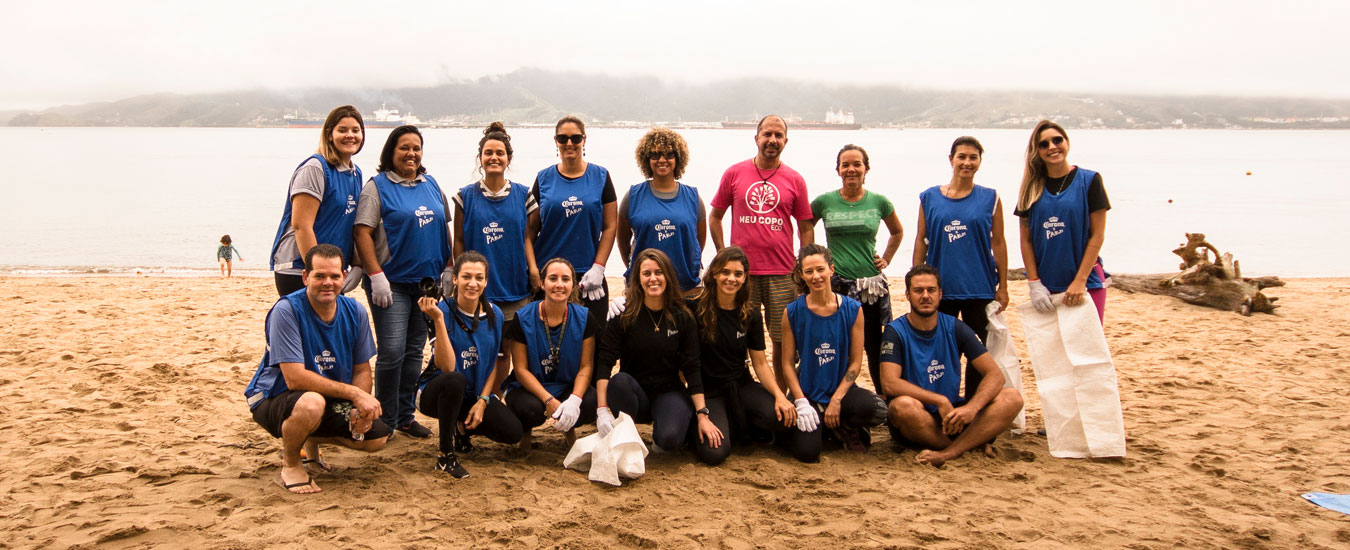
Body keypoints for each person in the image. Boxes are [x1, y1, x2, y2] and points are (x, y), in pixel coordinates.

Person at [244, 244, 389, 495]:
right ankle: (291, 463)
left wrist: (359, 408)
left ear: (344, 277)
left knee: (377, 437)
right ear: (305, 277)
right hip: (272, 397)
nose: (328, 283)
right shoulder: (286, 310)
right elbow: (294, 378)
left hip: (323, 398)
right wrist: (354, 395)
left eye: (334, 276)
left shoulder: (355, 311)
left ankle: (310, 440)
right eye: (319, 275)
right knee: (311, 403)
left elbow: (362, 370)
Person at [353, 125, 453, 439]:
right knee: (392, 351)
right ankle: (384, 418)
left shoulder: (432, 183)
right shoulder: (376, 187)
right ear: (391, 152)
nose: (411, 154)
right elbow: (362, 232)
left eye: (416, 148)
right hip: (391, 283)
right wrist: (375, 274)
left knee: (414, 352)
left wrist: (449, 266)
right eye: (404, 148)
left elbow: (442, 227)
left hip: (425, 284)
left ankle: (405, 417)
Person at [879, 264, 1023, 467]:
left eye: (931, 290)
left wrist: (972, 408)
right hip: (920, 417)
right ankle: (966, 446)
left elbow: (995, 375)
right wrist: (939, 401)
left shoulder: (955, 327)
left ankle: (949, 452)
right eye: (918, 291)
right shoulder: (895, 331)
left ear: (940, 294)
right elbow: (890, 384)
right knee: (901, 406)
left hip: (953, 416)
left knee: (1012, 397)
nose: (925, 296)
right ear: (907, 295)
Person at [710, 115, 814, 386]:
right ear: (756, 138)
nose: (772, 140)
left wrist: (803, 268)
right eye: (767, 134)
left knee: (781, 339)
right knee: (739, 332)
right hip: (742, 275)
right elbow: (715, 217)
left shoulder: (795, 179)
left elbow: (805, 228)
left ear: (786, 141)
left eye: (778, 136)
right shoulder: (734, 173)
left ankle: (781, 392)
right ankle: (741, 386)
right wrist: (723, 256)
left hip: (782, 272)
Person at [595, 249, 717, 453]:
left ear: (668, 276)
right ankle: (627, 434)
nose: (653, 279)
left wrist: (702, 414)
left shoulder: (682, 316)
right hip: (633, 395)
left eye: (659, 272)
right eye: (646, 273)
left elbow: (692, 368)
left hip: (668, 392)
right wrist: (601, 410)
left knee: (669, 440)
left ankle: (665, 427)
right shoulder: (624, 314)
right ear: (638, 278)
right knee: (620, 381)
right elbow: (605, 362)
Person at [912, 136, 1010, 393]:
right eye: (962, 157)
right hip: (939, 289)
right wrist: (915, 280)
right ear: (951, 160)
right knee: (942, 351)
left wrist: (1004, 287)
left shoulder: (991, 198)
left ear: (979, 161)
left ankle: (973, 408)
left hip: (979, 288)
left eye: (973, 157)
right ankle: (943, 401)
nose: (967, 162)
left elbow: (998, 243)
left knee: (978, 354)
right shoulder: (929, 197)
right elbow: (921, 240)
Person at [414, 251, 523, 478]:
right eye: (466, 277)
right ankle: (445, 455)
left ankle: (460, 427)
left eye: (479, 277)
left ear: (486, 281)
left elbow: (493, 362)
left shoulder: (495, 314)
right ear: (454, 279)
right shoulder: (441, 310)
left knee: (513, 432)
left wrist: (483, 401)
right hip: (436, 392)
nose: (472, 283)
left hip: (473, 393)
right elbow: (447, 366)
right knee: (455, 379)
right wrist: (438, 320)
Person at [689, 246, 798, 465]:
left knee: (781, 418)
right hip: (708, 391)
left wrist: (779, 395)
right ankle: (703, 426)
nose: (731, 279)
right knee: (715, 454)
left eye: (738, 274)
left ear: (745, 278)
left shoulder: (751, 314)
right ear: (714, 274)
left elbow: (760, 363)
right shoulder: (694, 309)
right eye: (725, 272)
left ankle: (743, 420)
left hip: (741, 385)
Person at [810, 144, 903, 395]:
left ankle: (883, 397)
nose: (851, 169)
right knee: (838, 342)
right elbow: (805, 223)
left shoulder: (879, 202)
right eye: (845, 165)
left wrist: (886, 258)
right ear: (838, 170)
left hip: (868, 287)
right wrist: (811, 259)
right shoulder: (823, 201)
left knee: (874, 344)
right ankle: (838, 394)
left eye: (857, 164)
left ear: (866, 168)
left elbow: (897, 231)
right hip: (836, 285)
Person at [780, 244, 886, 461]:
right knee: (806, 453)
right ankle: (829, 427)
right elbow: (787, 364)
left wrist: (837, 399)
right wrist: (800, 400)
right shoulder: (791, 312)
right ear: (802, 274)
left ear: (831, 269)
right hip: (808, 392)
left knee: (876, 409)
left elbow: (856, 363)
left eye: (820, 269)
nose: (816, 276)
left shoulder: (853, 309)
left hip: (842, 390)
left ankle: (847, 425)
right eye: (809, 271)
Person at [1014, 120, 1111, 322]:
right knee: (1052, 352)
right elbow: (1026, 240)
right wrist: (1034, 283)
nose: (1052, 147)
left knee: (1088, 351)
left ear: (1067, 142)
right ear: (1037, 151)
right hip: (1047, 287)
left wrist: (1079, 281)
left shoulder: (1090, 180)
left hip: (1087, 282)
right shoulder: (1030, 188)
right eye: (1044, 144)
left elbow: (1098, 235)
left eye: (1057, 140)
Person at [527, 116, 618, 329]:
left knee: (592, 343)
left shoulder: (601, 176)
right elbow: (529, 231)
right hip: (547, 275)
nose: (569, 143)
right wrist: (532, 270)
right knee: (544, 345)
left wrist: (599, 267)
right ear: (556, 141)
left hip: (588, 275)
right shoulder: (543, 179)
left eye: (575, 138)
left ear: (584, 140)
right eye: (563, 138)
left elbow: (610, 226)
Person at [269, 105, 366, 297]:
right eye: (342, 130)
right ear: (330, 134)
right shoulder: (315, 168)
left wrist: (356, 264)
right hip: (300, 269)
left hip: (331, 270)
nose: (350, 135)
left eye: (356, 130)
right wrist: (316, 272)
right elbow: (301, 226)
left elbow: (351, 225)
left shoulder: (355, 173)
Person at [503, 257, 599, 448]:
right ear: (542, 283)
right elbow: (520, 370)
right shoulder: (523, 318)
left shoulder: (584, 317)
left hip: (566, 385)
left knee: (590, 403)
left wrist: (574, 399)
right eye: (553, 278)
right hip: (531, 388)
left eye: (565, 279)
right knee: (529, 410)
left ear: (573, 284)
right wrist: (548, 400)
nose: (559, 285)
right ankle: (526, 431)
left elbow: (586, 366)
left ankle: (568, 428)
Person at [453, 122, 536, 320]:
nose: (494, 158)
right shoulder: (464, 196)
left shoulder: (524, 195)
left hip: (515, 287)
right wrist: (460, 277)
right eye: (488, 153)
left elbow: (528, 239)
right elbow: (458, 241)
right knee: (480, 347)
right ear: (480, 158)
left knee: (509, 349)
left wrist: (533, 269)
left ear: (508, 158)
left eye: (500, 153)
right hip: (476, 290)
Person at [617, 127, 705, 296]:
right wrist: (636, 267)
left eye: (669, 154)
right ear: (646, 159)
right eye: (655, 155)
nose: (662, 160)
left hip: (686, 286)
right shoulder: (633, 196)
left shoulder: (693, 197)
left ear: (678, 158)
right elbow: (622, 240)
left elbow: (698, 241)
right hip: (643, 287)